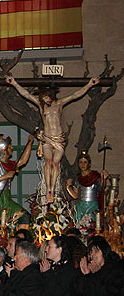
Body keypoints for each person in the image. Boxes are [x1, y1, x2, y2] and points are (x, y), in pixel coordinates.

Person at [6, 74, 99, 203]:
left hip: (59, 138)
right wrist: (14, 83)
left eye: (46, 96)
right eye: (42, 97)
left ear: (51, 95)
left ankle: (53, 189)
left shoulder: (59, 104)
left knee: (55, 164)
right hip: (47, 137)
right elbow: (26, 95)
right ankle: (49, 189)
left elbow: (75, 95)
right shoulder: (40, 105)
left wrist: (90, 84)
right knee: (48, 162)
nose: (44, 99)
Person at [0, 133, 34, 229]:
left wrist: (30, 143)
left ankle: (20, 238)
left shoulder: (10, 164)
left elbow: (23, 161)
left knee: (25, 217)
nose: (12, 148)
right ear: (4, 150)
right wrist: (5, 176)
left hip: (6, 196)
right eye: (10, 146)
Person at [65, 150, 108, 225]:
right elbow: (76, 196)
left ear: (89, 164)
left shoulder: (95, 176)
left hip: (92, 206)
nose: (83, 165)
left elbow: (101, 187)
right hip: (80, 207)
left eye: (85, 162)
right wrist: (68, 187)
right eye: (81, 162)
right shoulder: (78, 179)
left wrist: (104, 178)